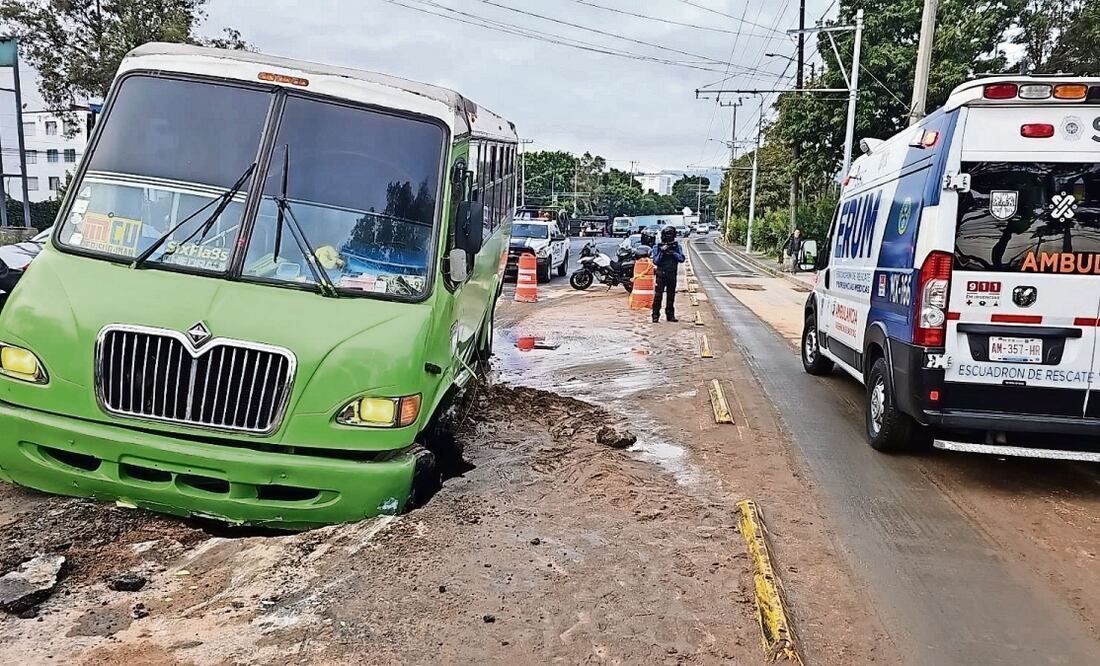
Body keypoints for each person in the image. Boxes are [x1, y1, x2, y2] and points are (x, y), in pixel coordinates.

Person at [651, 225, 685, 323]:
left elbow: (681, 259)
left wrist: (672, 252)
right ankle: (655, 315)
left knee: (671, 296)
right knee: (658, 296)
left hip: (672, 274)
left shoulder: (677, 247)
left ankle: (670, 315)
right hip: (661, 274)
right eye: (667, 234)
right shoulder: (657, 247)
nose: (669, 236)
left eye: (671, 234)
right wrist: (663, 252)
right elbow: (656, 261)